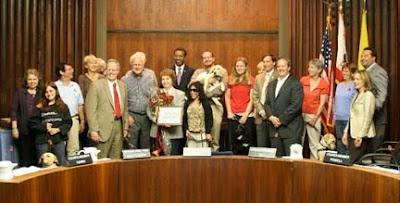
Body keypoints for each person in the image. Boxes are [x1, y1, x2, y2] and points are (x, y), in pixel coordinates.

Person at [85, 59, 129, 159]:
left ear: (118, 71)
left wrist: (125, 127)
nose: (111, 72)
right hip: (102, 129)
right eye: (109, 69)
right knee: (102, 161)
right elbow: (90, 109)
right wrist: (93, 130)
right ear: (105, 71)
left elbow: (125, 108)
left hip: (119, 127)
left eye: (114, 70)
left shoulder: (123, 86)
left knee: (116, 159)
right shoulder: (96, 85)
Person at [264, 57, 303, 157]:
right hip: (274, 130)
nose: (281, 69)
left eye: (283, 66)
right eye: (279, 66)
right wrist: (271, 117)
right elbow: (267, 103)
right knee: (277, 165)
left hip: (290, 130)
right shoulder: (271, 84)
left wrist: (280, 120)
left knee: (292, 164)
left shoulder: (295, 84)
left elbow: (295, 105)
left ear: (289, 68)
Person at [189, 51, 228, 151]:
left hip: (214, 104)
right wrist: (206, 80)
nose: (207, 59)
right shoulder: (198, 72)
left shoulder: (221, 71)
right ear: (202, 60)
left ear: (213, 59)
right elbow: (192, 85)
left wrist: (204, 94)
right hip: (200, 105)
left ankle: (215, 150)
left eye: (209, 57)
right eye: (204, 58)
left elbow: (221, 89)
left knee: (215, 128)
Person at [29, 82, 72, 165]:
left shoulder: (63, 106)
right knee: (43, 166)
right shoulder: (39, 107)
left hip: (58, 140)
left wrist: (58, 130)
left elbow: (68, 122)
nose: (49, 94)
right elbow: (32, 124)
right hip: (42, 141)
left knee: (61, 164)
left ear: (56, 91)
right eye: (46, 92)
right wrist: (44, 126)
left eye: (51, 91)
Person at [122, 52, 158, 149]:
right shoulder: (125, 79)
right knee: (131, 145)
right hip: (132, 116)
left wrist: (154, 114)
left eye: (139, 64)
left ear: (143, 64)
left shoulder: (151, 76)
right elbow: (123, 100)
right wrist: (127, 116)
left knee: (145, 144)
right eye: (135, 64)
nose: (137, 67)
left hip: (147, 116)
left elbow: (155, 96)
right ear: (131, 65)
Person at [147, 69, 186, 156]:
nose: (165, 81)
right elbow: (149, 110)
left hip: (174, 132)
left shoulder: (180, 94)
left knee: (173, 160)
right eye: (163, 79)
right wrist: (157, 120)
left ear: (172, 80)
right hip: (158, 131)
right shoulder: (156, 93)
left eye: (167, 79)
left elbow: (181, 111)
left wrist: (170, 121)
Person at [342, 70, 376, 164]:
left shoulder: (368, 95)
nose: (354, 81)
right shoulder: (356, 95)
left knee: (354, 163)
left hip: (362, 136)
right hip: (352, 134)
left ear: (364, 80)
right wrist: (345, 132)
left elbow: (368, 118)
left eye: (357, 79)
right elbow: (352, 116)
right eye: (354, 79)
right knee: (351, 163)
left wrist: (360, 136)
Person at [11, 69, 43, 166]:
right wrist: (14, 128)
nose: (32, 82)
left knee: (37, 157)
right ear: (26, 80)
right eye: (30, 79)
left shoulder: (42, 93)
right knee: (24, 157)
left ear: (38, 80)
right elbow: (13, 111)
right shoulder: (20, 93)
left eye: (34, 79)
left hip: (38, 131)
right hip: (23, 130)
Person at [300, 59, 329, 160]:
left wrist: (315, 117)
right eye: (309, 67)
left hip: (314, 116)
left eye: (312, 67)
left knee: (314, 144)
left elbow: (322, 103)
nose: (309, 69)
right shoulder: (303, 80)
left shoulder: (324, 84)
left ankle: (314, 166)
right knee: (299, 143)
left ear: (319, 69)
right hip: (301, 114)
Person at [361, 47, 388, 152]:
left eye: (366, 56)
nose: (363, 58)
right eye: (362, 56)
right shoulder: (363, 72)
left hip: (376, 119)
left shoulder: (379, 72)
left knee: (373, 152)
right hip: (365, 120)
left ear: (374, 58)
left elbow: (381, 95)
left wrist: (371, 109)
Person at [225, 57, 255, 154]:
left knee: (247, 143)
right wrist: (229, 112)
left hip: (247, 115)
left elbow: (252, 99)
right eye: (237, 66)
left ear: (246, 67)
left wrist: (246, 115)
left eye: (241, 66)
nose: (239, 68)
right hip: (233, 115)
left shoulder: (251, 80)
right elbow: (227, 97)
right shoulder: (230, 79)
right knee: (233, 143)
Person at [55, 62, 85, 156]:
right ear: (61, 72)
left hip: (73, 119)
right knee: (59, 147)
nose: (72, 71)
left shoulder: (75, 86)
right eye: (69, 69)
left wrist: (82, 121)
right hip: (59, 120)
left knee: (73, 147)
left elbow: (80, 104)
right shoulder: (55, 86)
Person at [78, 54, 105, 148]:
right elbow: (82, 96)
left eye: (95, 63)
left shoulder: (102, 77)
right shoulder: (82, 78)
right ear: (86, 65)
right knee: (88, 140)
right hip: (87, 111)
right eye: (91, 63)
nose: (94, 65)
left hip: (101, 111)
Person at [252, 54, 277, 147]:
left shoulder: (278, 76)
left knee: (273, 146)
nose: (265, 64)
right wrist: (261, 110)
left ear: (274, 63)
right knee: (261, 145)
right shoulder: (258, 77)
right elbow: (254, 96)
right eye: (264, 62)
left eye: (268, 61)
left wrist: (268, 112)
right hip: (260, 116)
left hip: (274, 116)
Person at [333, 63, 357, 155]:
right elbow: (336, 102)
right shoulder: (339, 85)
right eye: (343, 71)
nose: (344, 73)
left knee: (348, 143)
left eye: (346, 71)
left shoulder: (354, 85)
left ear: (352, 73)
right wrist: (334, 118)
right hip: (338, 119)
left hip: (349, 120)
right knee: (339, 143)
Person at [183, 82, 213, 148]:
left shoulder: (205, 103)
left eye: (194, 90)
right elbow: (184, 118)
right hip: (191, 135)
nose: (192, 92)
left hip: (202, 134)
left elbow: (209, 118)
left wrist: (208, 132)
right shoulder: (187, 103)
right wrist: (186, 129)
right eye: (190, 90)